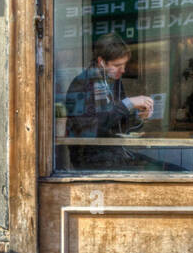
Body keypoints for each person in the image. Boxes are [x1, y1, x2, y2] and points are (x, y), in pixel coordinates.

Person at [64, 33, 155, 170]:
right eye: (117, 65)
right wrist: (128, 103)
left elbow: (117, 124)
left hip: (116, 155)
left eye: (124, 65)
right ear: (101, 62)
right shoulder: (83, 83)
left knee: (172, 170)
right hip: (92, 161)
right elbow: (95, 126)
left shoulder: (113, 82)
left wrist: (137, 116)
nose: (123, 70)